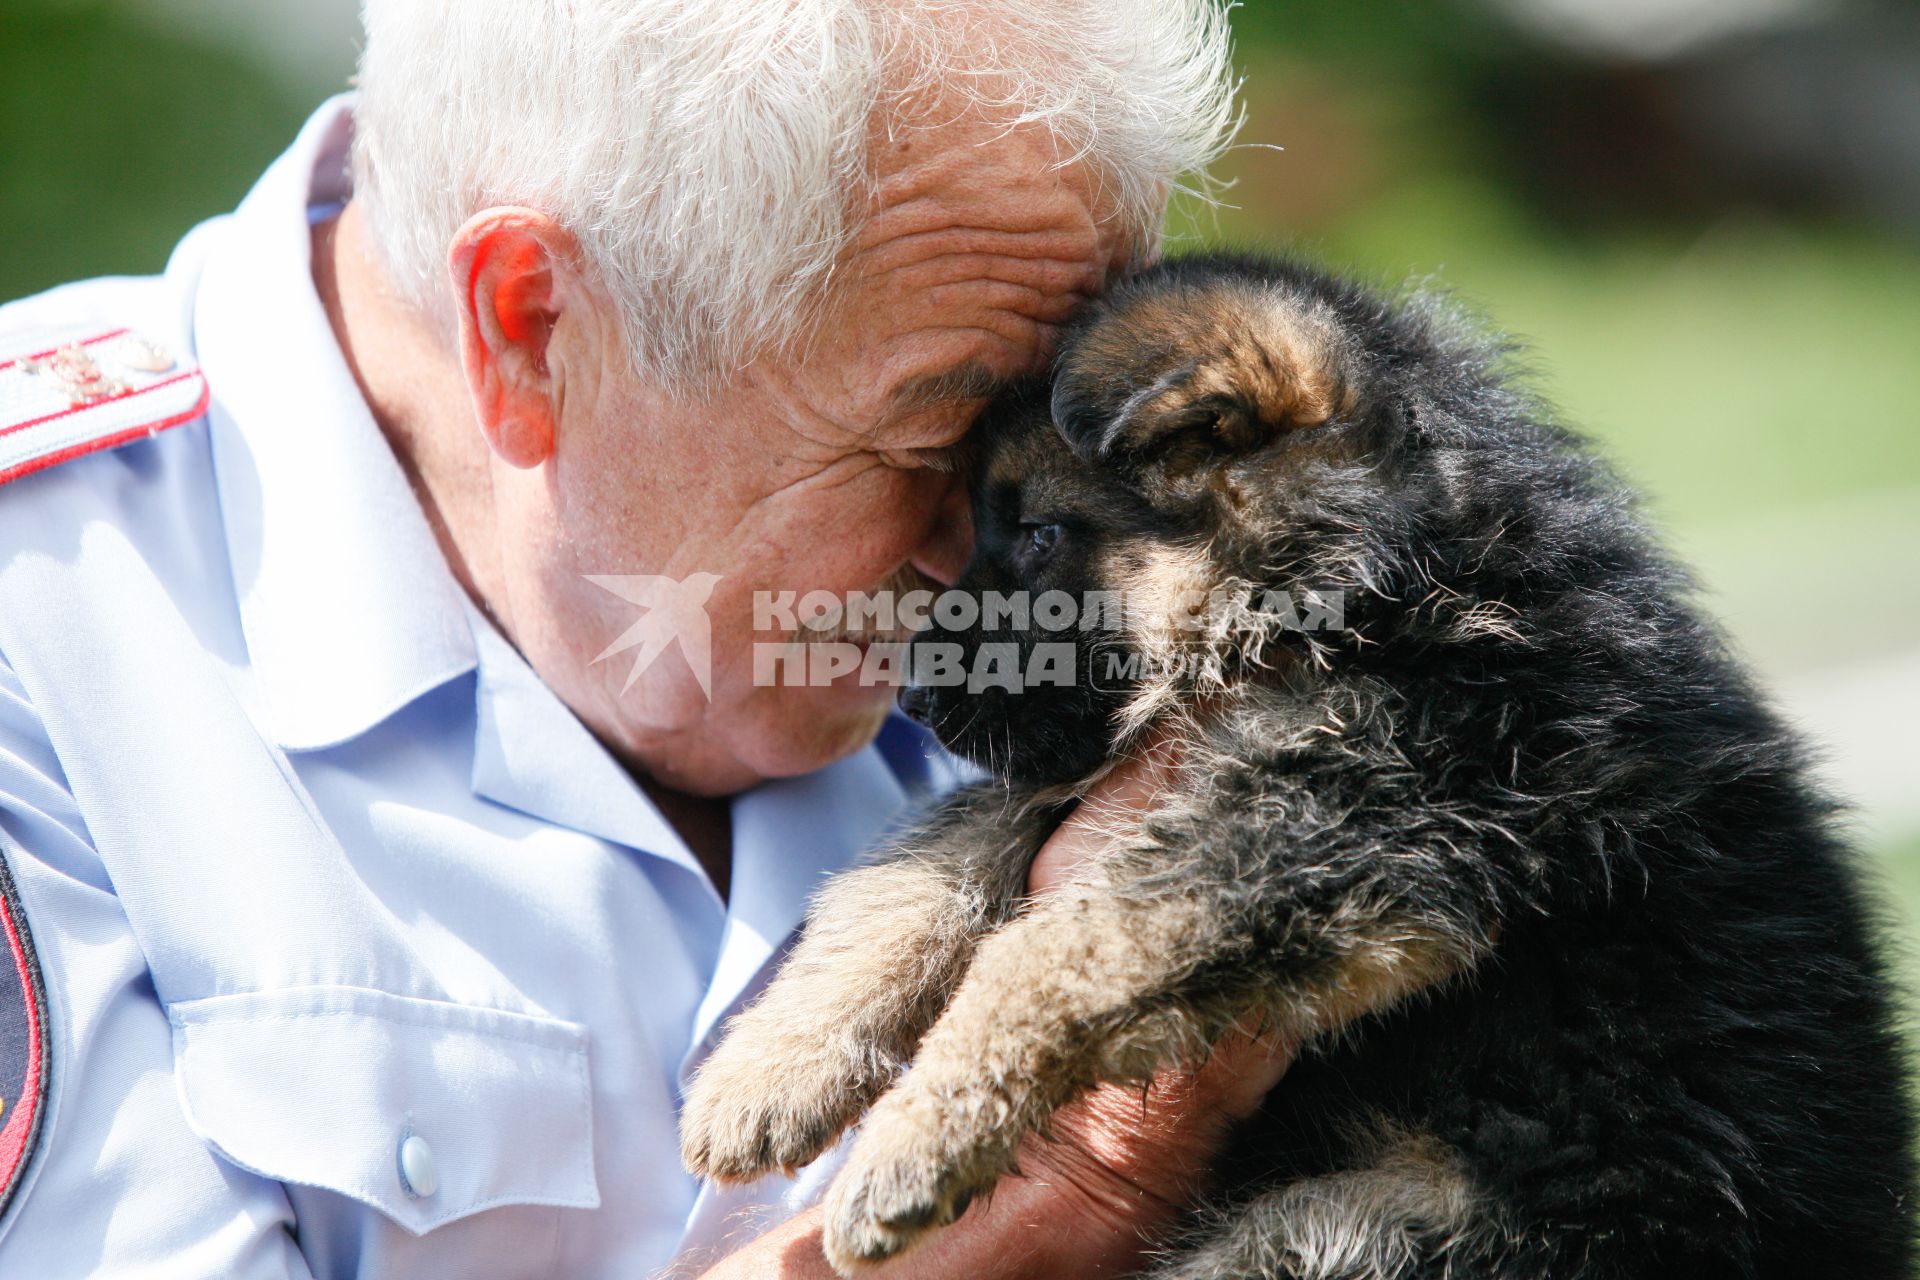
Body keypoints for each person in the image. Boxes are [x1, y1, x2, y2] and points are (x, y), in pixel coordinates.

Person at [0, 2, 1288, 1275]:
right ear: (530, 327)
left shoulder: (1114, 568)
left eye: (1075, 448)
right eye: (927, 444)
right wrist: (1082, 1174)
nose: (1001, 576)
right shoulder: (47, 623)